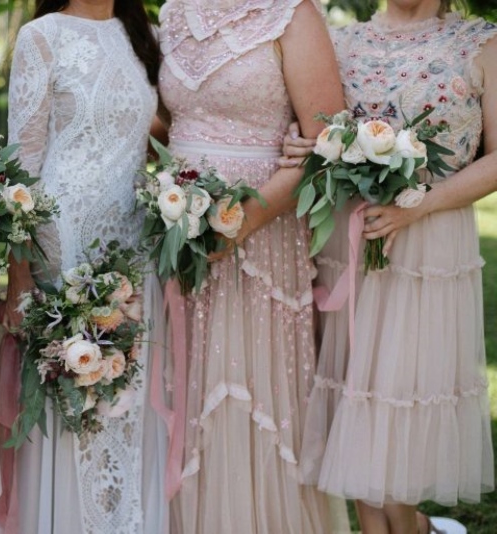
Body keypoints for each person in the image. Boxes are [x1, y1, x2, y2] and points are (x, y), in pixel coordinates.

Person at [280, 1, 496, 532]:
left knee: (397, 401)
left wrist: (421, 202)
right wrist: (298, 143)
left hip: (428, 241)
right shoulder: (340, 43)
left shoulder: (483, 42)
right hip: (350, 243)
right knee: (354, 399)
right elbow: (316, 136)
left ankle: (412, 525)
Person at [157, 0, 347, 532]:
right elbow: (170, 117)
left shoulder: (292, 14)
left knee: (248, 389)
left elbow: (328, 145)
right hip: (180, 231)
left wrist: (243, 221)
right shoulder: (173, 11)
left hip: (263, 236)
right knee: (184, 384)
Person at [4, 0, 168, 532]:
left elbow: (159, 128)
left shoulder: (144, 35)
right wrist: (20, 277)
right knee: (77, 390)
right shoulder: (41, 35)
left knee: (126, 392)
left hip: (133, 241)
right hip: (64, 241)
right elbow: (21, 166)